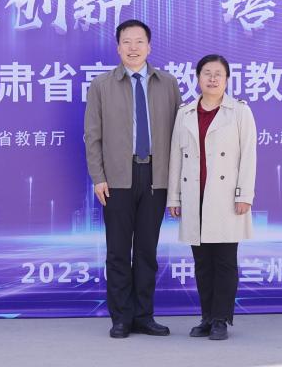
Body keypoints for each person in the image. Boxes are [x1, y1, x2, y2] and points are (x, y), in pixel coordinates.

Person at [84, 19, 182, 338]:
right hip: (116, 178)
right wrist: (98, 177)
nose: (133, 48)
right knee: (117, 250)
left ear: (149, 47)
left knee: (146, 251)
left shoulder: (168, 84)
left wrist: (177, 183)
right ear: (118, 48)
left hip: (156, 176)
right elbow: (92, 136)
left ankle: (144, 315)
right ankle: (121, 318)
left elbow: (181, 136)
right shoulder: (102, 85)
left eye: (139, 41)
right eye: (127, 42)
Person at [166, 54, 257, 341]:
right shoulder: (185, 113)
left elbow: (249, 155)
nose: (213, 78)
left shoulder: (239, 111)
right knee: (202, 263)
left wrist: (244, 194)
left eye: (219, 74)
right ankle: (206, 317)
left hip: (226, 198)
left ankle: (221, 319)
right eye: (207, 73)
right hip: (194, 196)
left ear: (227, 79)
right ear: (197, 77)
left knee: (225, 262)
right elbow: (176, 157)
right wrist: (174, 197)